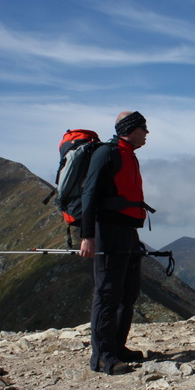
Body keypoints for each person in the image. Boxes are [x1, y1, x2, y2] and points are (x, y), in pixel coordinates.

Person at [79, 111, 153, 375]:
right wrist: (87, 236)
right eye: (143, 128)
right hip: (106, 231)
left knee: (128, 291)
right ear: (130, 128)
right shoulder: (107, 154)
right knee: (108, 293)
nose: (147, 133)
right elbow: (89, 194)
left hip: (126, 231)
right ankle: (102, 358)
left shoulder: (128, 154)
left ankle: (117, 347)